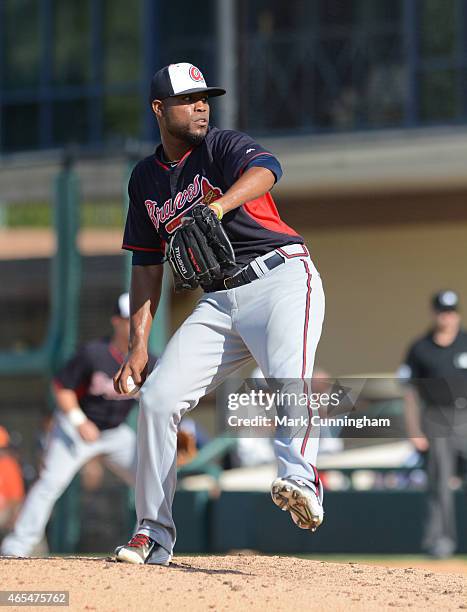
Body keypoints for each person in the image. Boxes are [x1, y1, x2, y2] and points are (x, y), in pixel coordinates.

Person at [113, 62, 326, 566]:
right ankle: (153, 531)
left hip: (280, 278)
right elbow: (146, 265)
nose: (202, 105)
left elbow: (267, 170)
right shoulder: (144, 179)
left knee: (287, 379)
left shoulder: (221, 146)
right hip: (219, 300)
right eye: (189, 99)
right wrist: (138, 346)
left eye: (205, 96)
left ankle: (302, 477)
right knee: (160, 398)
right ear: (159, 110)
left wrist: (219, 206)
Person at [0, 293, 156, 558]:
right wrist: (78, 421)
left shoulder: (147, 360)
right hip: (77, 427)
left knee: (150, 481)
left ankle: (147, 543)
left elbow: (158, 399)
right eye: (128, 318)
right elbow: (62, 388)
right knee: (50, 483)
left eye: (139, 319)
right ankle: (16, 548)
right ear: (116, 321)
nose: (134, 324)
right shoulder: (93, 354)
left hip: (115, 432)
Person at [400, 289, 467, 558]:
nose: (447, 317)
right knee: (439, 482)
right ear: (434, 313)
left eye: (451, 312)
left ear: (457, 314)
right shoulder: (420, 348)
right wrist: (414, 430)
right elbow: (410, 393)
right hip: (436, 418)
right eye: (442, 311)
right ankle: (440, 542)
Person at [0, 426, 24, 542]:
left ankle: (31, 558)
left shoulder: (8, 464)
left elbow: (16, 498)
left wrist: (14, 515)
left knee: (25, 521)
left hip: (4, 512)